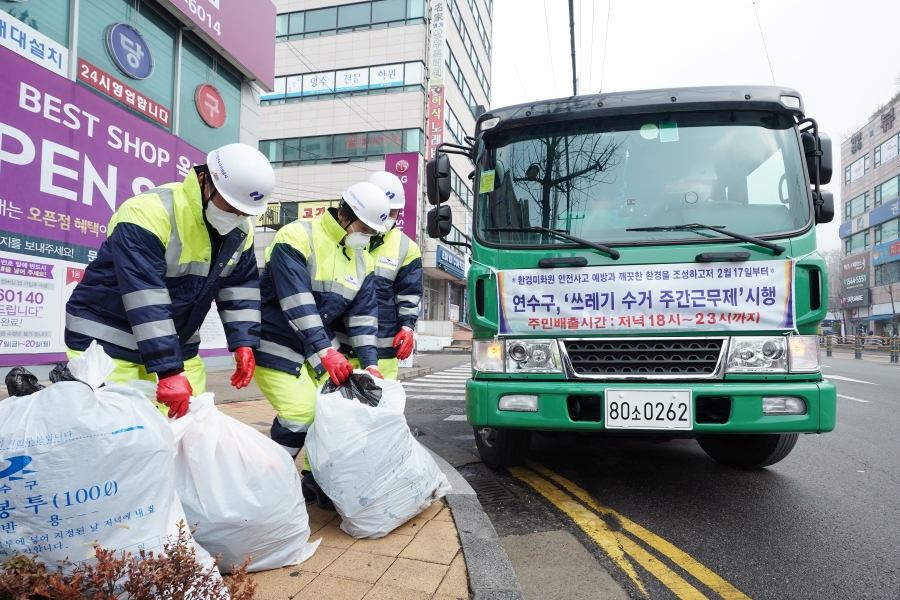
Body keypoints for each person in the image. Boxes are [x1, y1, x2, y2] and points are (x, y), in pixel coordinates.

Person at [65, 143, 273, 419]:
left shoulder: (240, 230)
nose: (236, 217)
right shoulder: (147, 212)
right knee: (117, 436)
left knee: (191, 428)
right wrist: (170, 371)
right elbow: (145, 295)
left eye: (244, 211)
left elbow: (240, 290)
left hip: (176, 343)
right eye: (230, 205)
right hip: (106, 343)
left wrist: (243, 341)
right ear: (204, 180)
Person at [252, 182, 390, 510]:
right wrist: (326, 350)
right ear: (343, 216)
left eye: (374, 232)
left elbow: (364, 318)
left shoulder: (362, 260)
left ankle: (315, 478)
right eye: (364, 228)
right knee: (300, 412)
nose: (367, 236)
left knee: (333, 410)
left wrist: (370, 362)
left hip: (316, 350)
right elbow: (296, 302)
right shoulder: (297, 236)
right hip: (276, 342)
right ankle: (272, 484)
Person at [363, 171, 423, 379]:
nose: (388, 217)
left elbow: (409, 294)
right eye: (384, 210)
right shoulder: (348, 235)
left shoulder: (407, 248)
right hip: (342, 343)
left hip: (384, 347)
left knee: (382, 405)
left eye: (393, 212)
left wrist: (407, 327)